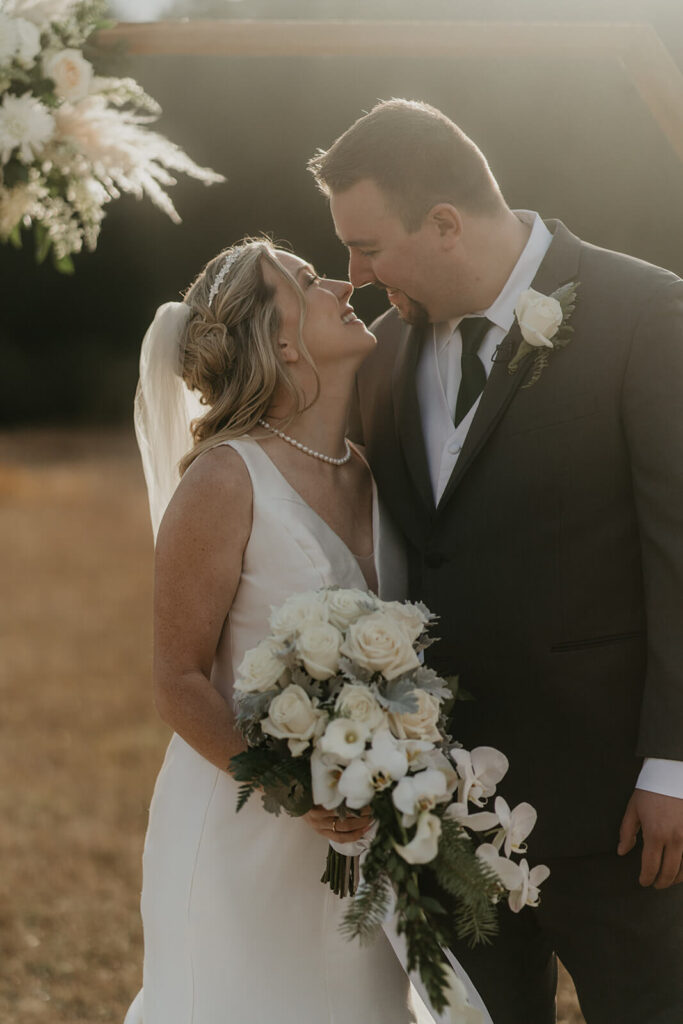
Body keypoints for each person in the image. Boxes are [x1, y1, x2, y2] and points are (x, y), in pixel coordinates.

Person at [307, 98, 683, 1024]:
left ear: (443, 222)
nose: (351, 277)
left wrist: (672, 766)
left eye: (366, 247)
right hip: (447, 809)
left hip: (619, 809)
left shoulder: (647, 314)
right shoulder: (386, 349)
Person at [124, 238, 420, 1024]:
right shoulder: (224, 476)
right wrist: (295, 785)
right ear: (282, 341)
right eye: (301, 278)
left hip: (362, 838)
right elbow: (176, 679)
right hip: (243, 839)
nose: (333, 281)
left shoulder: (372, 468)